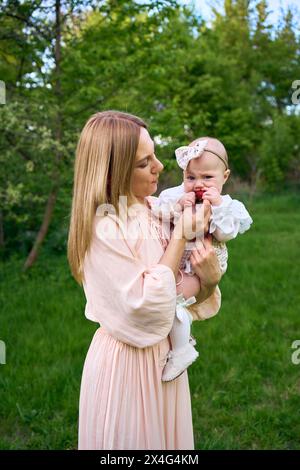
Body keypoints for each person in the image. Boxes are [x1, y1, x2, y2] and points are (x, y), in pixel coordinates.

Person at [67, 111, 222, 450]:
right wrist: (181, 235)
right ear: (113, 171)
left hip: (165, 360)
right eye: (143, 163)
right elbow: (146, 304)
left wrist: (209, 281)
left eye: (153, 154)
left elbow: (179, 292)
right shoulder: (105, 227)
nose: (160, 167)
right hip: (128, 366)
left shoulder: (153, 208)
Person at [151, 137, 253, 382]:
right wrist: (178, 205)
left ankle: (181, 349)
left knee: (171, 300)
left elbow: (225, 233)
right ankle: (181, 344)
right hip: (179, 258)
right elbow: (160, 212)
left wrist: (215, 206)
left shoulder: (228, 204)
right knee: (171, 300)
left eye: (207, 178)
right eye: (190, 177)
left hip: (207, 257)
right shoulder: (176, 194)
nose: (198, 184)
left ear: (224, 176)